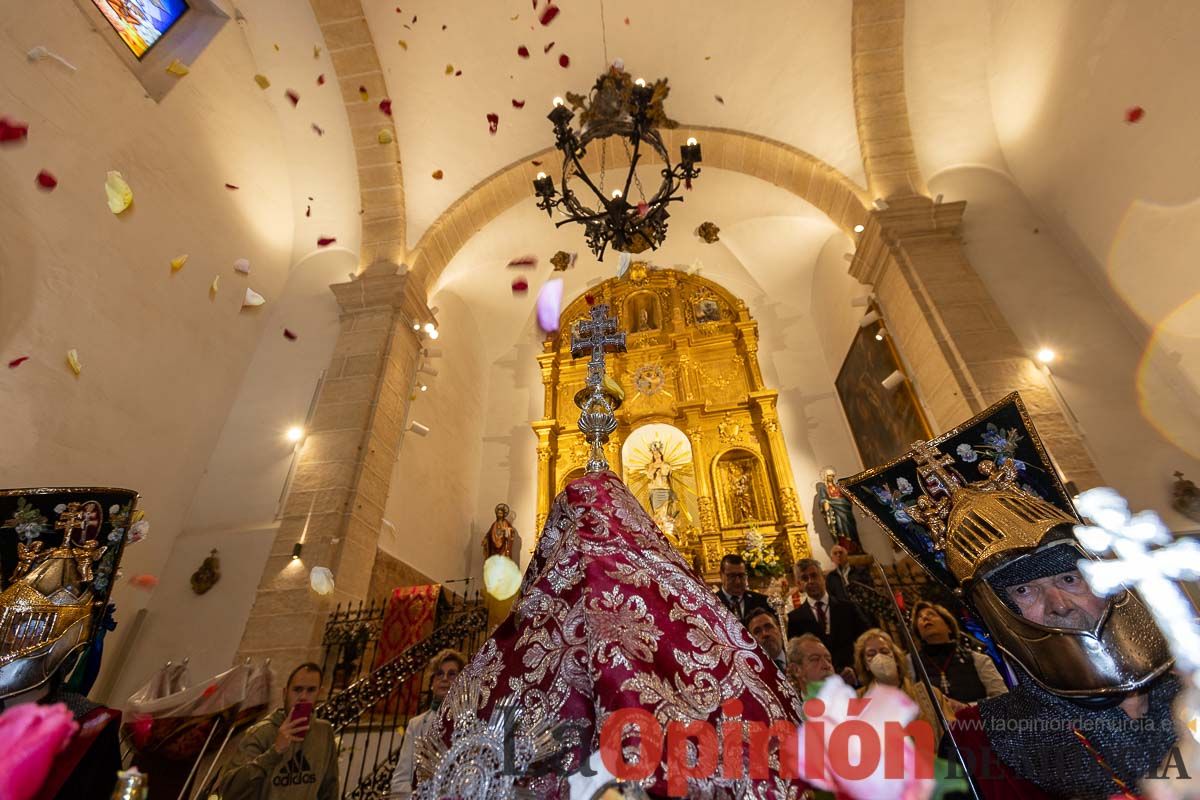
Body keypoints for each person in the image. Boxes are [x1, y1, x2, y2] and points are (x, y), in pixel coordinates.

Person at [839, 393, 1182, 799]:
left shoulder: (1191, 696)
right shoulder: (980, 743)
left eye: (1070, 580)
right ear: (995, 613)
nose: (1059, 603)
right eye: (1024, 590)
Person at [221, 662, 338, 800]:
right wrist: (275, 751)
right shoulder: (261, 732)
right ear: (285, 693)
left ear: (319, 693)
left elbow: (330, 787)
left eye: (311, 690)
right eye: (297, 690)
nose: (303, 697)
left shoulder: (323, 732)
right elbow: (229, 789)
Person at [852, 628, 960, 743]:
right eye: (871, 654)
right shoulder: (856, 700)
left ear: (896, 658)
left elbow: (955, 735)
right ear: (865, 665)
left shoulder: (929, 693)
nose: (879, 657)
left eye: (884, 651)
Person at [389, 649, 465, 800]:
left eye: (451, 674)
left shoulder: (470, 720)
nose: (444, 679)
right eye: (439, 674)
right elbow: (401, 779)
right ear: (432, 684)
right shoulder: (416, 724)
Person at [909, 600, 1006, 703]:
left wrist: (968, 709)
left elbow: (1002, 699)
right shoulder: (911, 663)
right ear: (918, 632)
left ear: (949, 626)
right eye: (920, 617)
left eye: (931, 614)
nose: (925, 617)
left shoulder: (978, 659)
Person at [786, 558, 869, 674]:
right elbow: (796, 657)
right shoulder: (795, 619)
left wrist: (855, 669)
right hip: (819, 684)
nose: (810, 581)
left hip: (853, 677)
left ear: (823, 577)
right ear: (799, 584)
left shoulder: (848, 608)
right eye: (805, 578)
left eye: (814, 575)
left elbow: (866, 640)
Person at [714, 553, 771, 620]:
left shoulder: (762, 601)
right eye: (732, 576)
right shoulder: (713, 603)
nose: (737, 581)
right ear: (721, 575)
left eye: (741, 576)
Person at [816, 466, 861, 550]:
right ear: (825, 476)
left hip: (846, 510)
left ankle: (856, 548)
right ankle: (845, 549)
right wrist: (825, 503)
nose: (831, 477)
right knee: (840, 528)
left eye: (832, 476)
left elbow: (847, 498)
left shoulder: (838, 487)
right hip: (835, 511)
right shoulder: (823, 488)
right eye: (829, 476)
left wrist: (849, 499)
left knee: (851, 529)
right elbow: (823, 499)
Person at [785, 634, 835, 700]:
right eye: (815, 659)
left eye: (828, 660)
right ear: (796, 670)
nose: (827, 665)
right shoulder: (790, 709)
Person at [744, 607, 787, 673]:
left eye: (768, 627)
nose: (765, 634)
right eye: (757, 631)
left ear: (780, 630)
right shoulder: (751, 673)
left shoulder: (800, 659)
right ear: (751, 640)